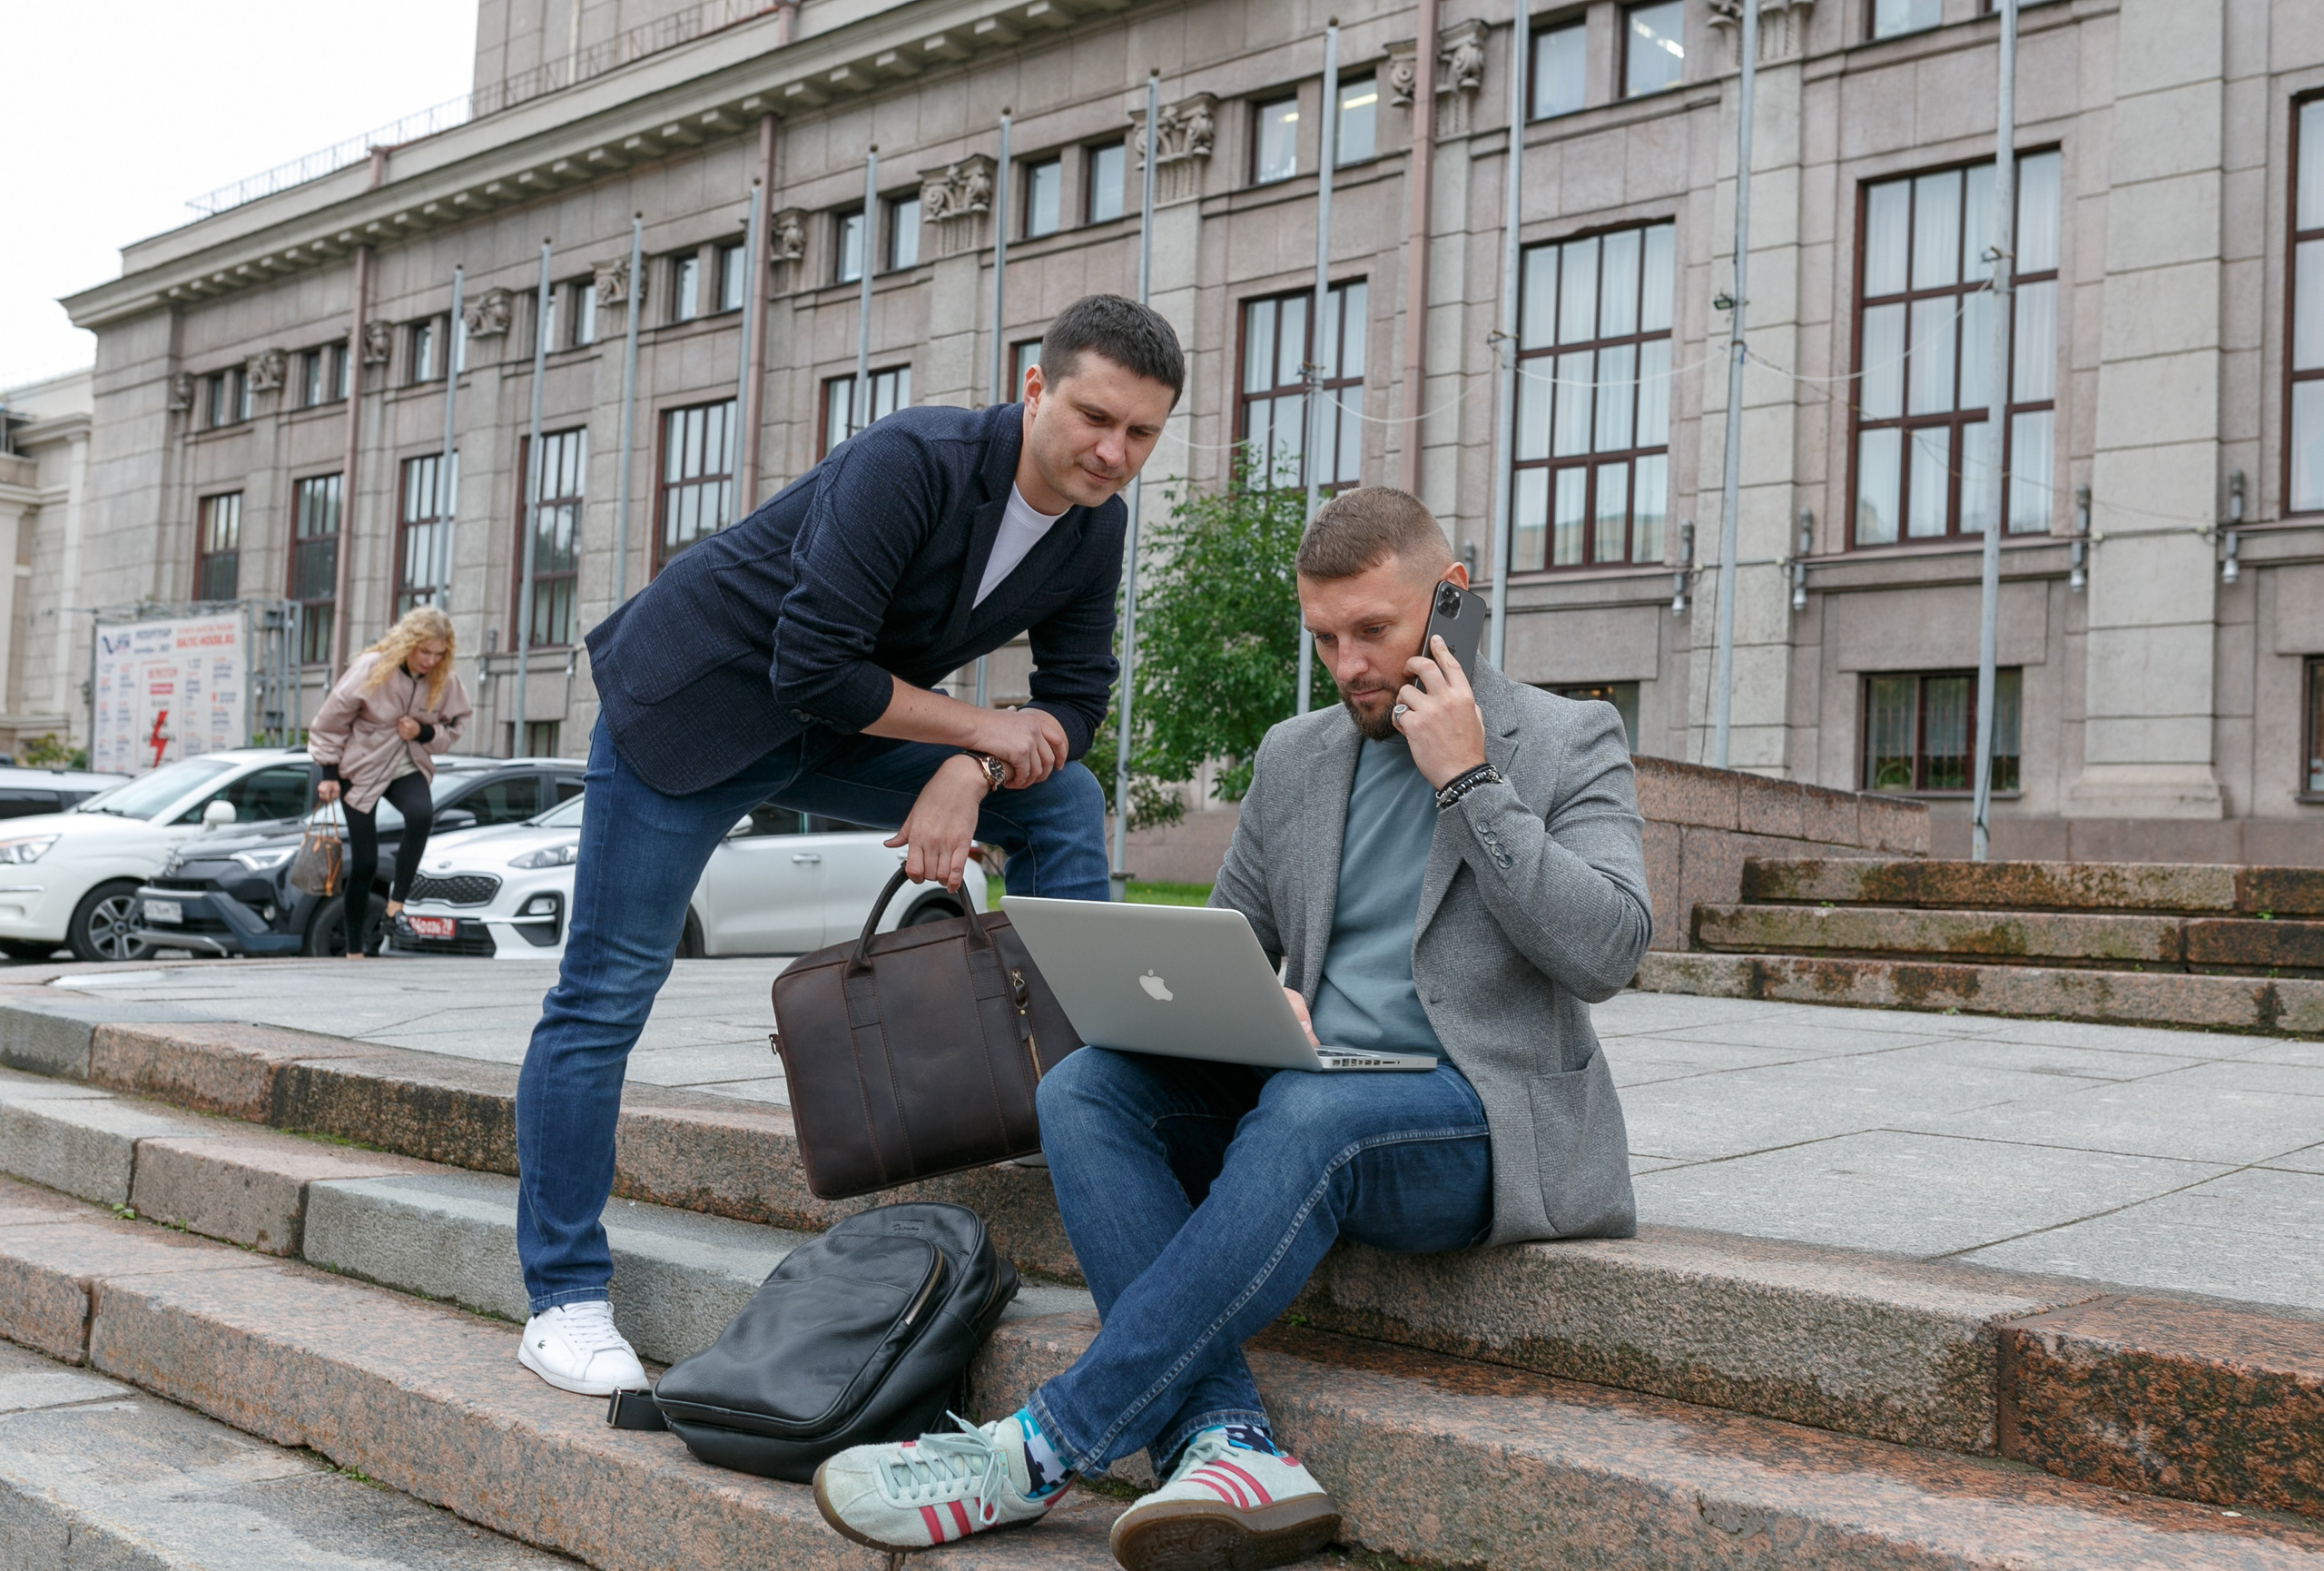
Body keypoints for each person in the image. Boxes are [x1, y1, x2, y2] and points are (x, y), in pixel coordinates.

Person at [811, 486, 1652, 1571]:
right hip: (1309, 1089)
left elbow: (1609, 949)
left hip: (1480, 1115)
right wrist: (1248, 999)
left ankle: (1041, 1445)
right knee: (1085, 1087)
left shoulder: (1569, 736)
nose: (1347, 664)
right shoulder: (1297, 756)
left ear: (1452, 604)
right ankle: (1228, 1438)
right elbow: (1223, 946)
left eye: (1373, 632)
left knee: (1311, 1112)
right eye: (1324, 637)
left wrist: (1470, 780)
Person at [512, 294, 1186, 1396]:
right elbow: (812, 664)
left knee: (1059, 803)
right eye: (1094, 416)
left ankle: (1078, 1104)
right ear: (1033, 387)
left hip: (833, 726)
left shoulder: (1094, 525)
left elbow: (1075, 697)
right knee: (602, 995)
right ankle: (562, 1296)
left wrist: (970, 770)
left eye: (1142, 433)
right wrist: (974, 728)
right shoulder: (913, 456)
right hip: (693, 712)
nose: (1114, 451)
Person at [309, 607, 471, 958]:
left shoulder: (443, 681)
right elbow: (329, 722)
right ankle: (354, 949)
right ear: (407, 643)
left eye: (438, 654)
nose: (430, 660)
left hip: (405, 764)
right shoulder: (372, 669)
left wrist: (424, 730)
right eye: (423, 651)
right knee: (364, 863)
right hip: (360, 768)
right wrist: (328, 774)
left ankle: (395, 907)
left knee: (421, 814)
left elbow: (455, 727)